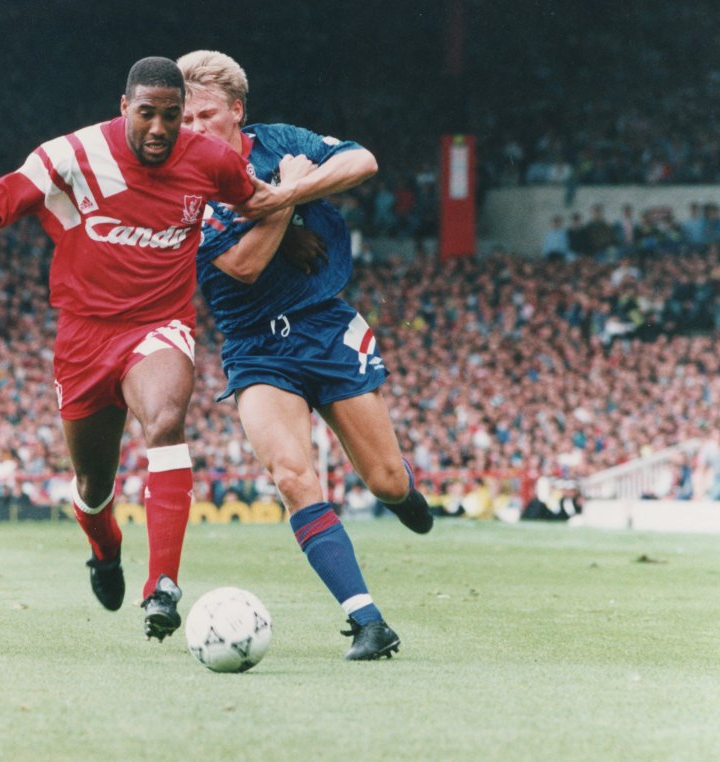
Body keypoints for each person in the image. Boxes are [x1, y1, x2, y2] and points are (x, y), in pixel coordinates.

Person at [0, 57, 296, 642]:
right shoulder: (71, 156)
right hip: (84, 337)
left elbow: (256, 200)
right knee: (93, 486)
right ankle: (105, 546)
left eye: (171, 117)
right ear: (124, 107)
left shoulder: (209, 159)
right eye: (147, 114)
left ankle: (163, 587)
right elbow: (0, 203)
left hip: (160, 325)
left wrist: (298, 211)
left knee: (167, 421)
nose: (159, 128)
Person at [177, 50, 433, 661]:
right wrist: (289, 200)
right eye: (183, 119)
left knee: (386, 479)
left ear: (237, 112)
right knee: (292, 475)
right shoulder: (180, 186)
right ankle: (368, 620)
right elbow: (240, 266)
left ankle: (404, 498)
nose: (192, 129)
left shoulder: (281, 141)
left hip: (325, 326)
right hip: (255, 347)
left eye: (205, 115)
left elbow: (362, 160)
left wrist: (284, 192)